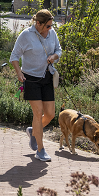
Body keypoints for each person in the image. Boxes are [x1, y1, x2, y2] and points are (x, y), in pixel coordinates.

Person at [10, 9, 62, 162]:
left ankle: (34, 131)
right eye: (47, 26)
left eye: (51, 26)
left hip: (47, 77)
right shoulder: (26, 35)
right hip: (31, 79)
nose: (50, 29)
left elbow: (59, 50)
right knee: (38, 113)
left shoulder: (52, 33)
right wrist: (19, 73)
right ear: (38, 23)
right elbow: (14, 56)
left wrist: (54, 56)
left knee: (51, 114)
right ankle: (41, 149)